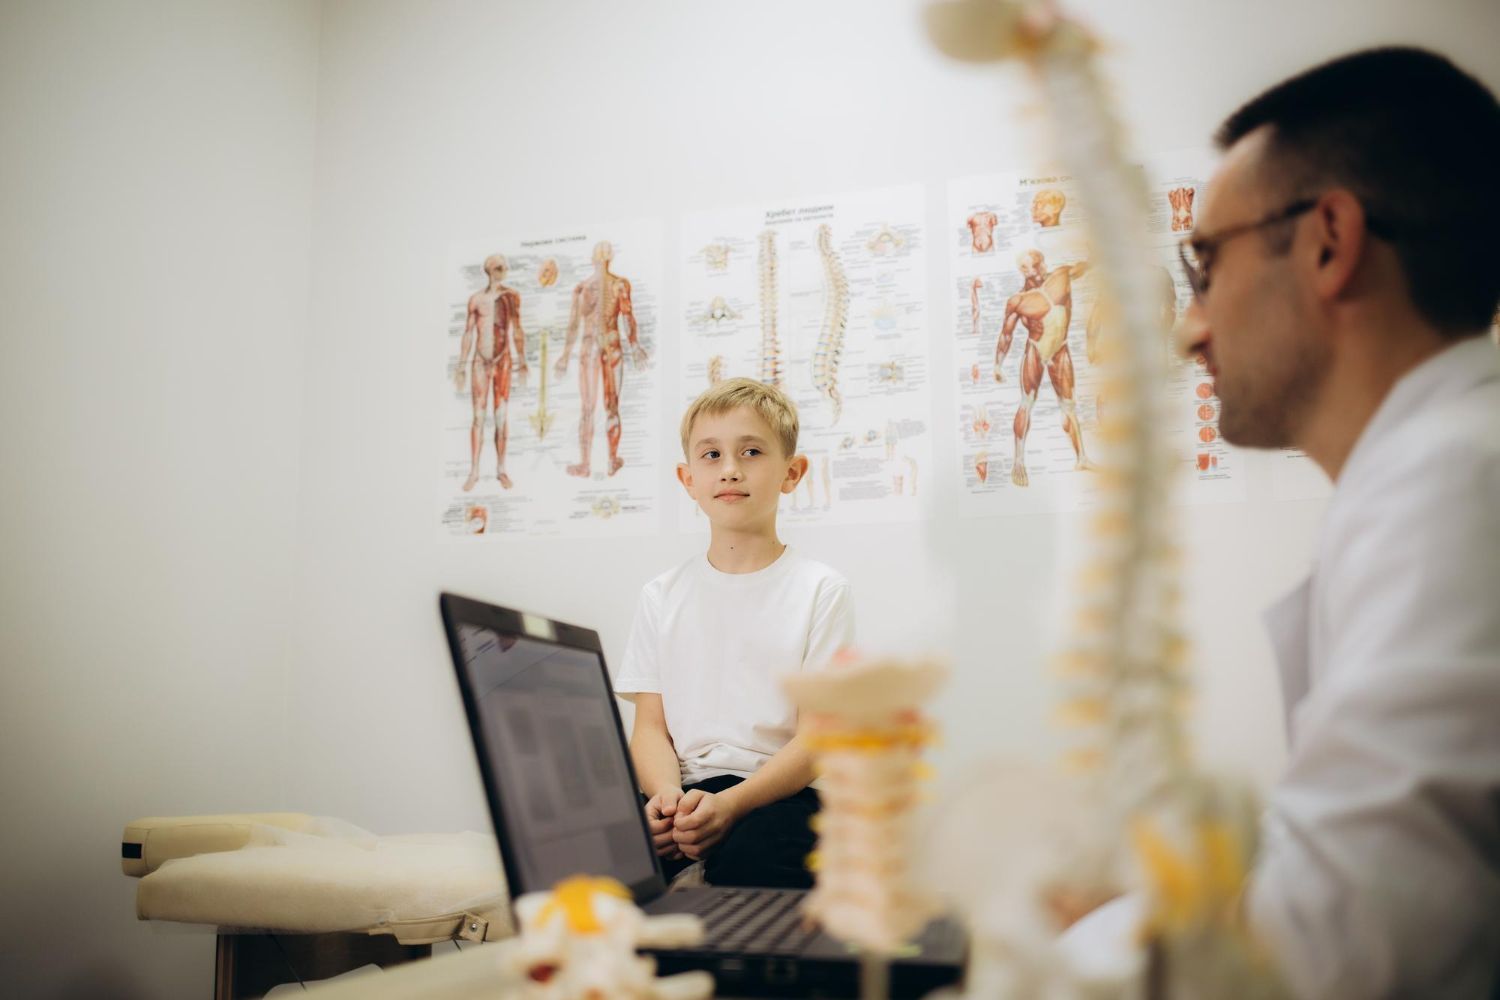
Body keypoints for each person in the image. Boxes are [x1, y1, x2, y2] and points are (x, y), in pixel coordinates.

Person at [1175, 47, 1500, 998]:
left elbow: (1344, 946)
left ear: (1328, 240)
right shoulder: (1431, 472)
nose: (1190, 328)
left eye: (1205, 263)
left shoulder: (1455, 483)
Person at [613, 378, 854, 888]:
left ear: (792, 473)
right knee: (600, 862)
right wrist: (665, 801)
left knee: (757, 859)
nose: (730, 469)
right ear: (687, 478)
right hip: (683, 789)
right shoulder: (661, 594)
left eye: (751, 451)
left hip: (774, 791)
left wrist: (730, 805)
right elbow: (650, 730)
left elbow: (816, 741)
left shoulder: (821, 590)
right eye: (711, 454)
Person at [996, 249, 1093, 484]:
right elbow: (1006, 334)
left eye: (1039, 263)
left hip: (1060, 348)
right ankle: (1018, 461)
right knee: (1026, 403)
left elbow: (1083, 266)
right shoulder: (1018, 300)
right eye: (1031, 266)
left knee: (1069, 405)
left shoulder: (1061, 276)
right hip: (1036, 351)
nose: (1038, 269)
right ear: (1023, 270)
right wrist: (998, 364)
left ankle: (1081, 458)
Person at [555, 240, 648, 478]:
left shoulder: (584, 288)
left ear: (593, 259)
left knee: (590, 408)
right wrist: (634, 345)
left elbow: (574, 325)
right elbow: (627, 318)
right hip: (609, 346)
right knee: (609, 407)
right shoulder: (616, 285)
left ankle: (589, 463)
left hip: (593, 349)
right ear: (610, 258)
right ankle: (609, 460)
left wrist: (566, 357)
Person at [454, 254, 528, 491]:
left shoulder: (511, 297)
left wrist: (522, 360)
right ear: (490, 271)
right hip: (480, 362)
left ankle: (501, 469)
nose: (504, 271)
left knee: (500, 417)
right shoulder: (475, 300)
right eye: (500, 268)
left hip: (502, 360)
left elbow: (517, 329)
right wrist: (461, 365)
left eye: (505, 267)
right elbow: (468, 333)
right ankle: (474, 471)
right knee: (478, 417)